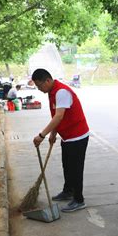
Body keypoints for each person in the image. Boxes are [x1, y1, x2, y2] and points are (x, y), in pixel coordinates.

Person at [32, 68, 89, 213]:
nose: (39, 89)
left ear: (48, 81)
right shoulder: (52, 92)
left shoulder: (61, 92)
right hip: (68, 136)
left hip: (77, 136)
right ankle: (68, 191)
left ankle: (79, 199)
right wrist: (53, 133)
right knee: (67, 166)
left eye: (40, 86)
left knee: (75, 169)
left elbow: (59, 116)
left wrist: (42, 135)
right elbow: (56, 116)